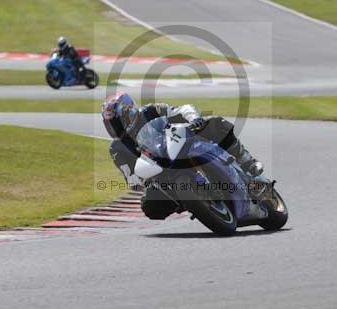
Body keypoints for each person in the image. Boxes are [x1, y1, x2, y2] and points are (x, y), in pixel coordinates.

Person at [102, 92, 266, 220]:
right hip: (160, 174)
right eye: (111, 124)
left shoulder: (150, 111)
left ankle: (247, 161)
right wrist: (138, 181)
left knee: (215, 123)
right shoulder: (117, 147)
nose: (115, 128)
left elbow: (181, 109)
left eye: (117, 122)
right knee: (150, 207)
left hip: (179, 145)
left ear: (129, 112)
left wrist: (194, 119)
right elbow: (129, 175)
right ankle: (192, 202)